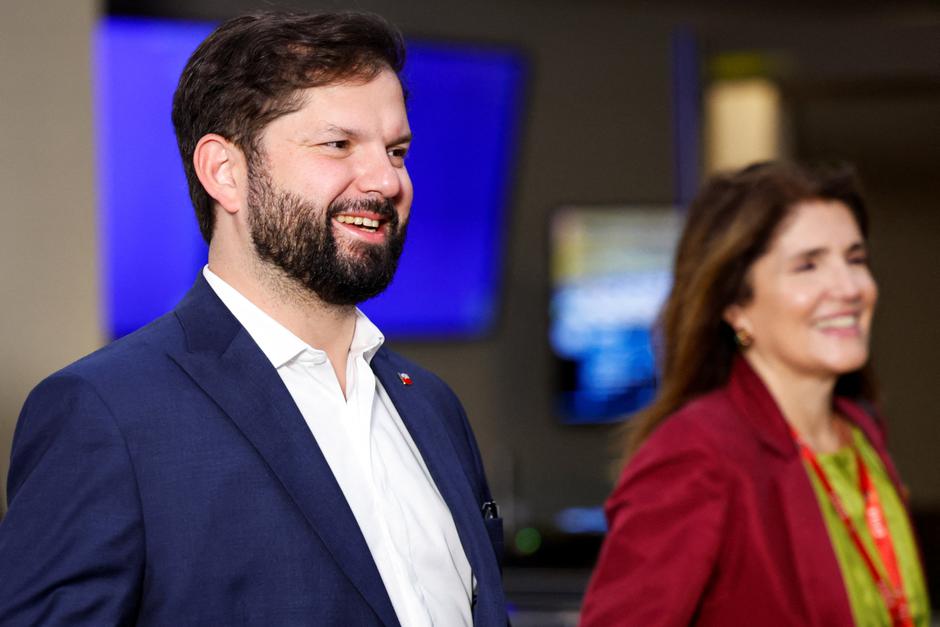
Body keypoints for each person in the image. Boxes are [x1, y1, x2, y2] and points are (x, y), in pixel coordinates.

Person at [0, 11, 506, 626]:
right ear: (225, 172)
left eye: (396, 150)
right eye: (338, 144)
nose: (386, 179)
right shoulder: (106, 416)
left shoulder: (431, 407)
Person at [580, 162, 929, 626]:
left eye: (856, 259)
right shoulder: (695, 454)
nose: (849, 288)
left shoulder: (861, 431)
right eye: (808, 265)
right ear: (735, 306)